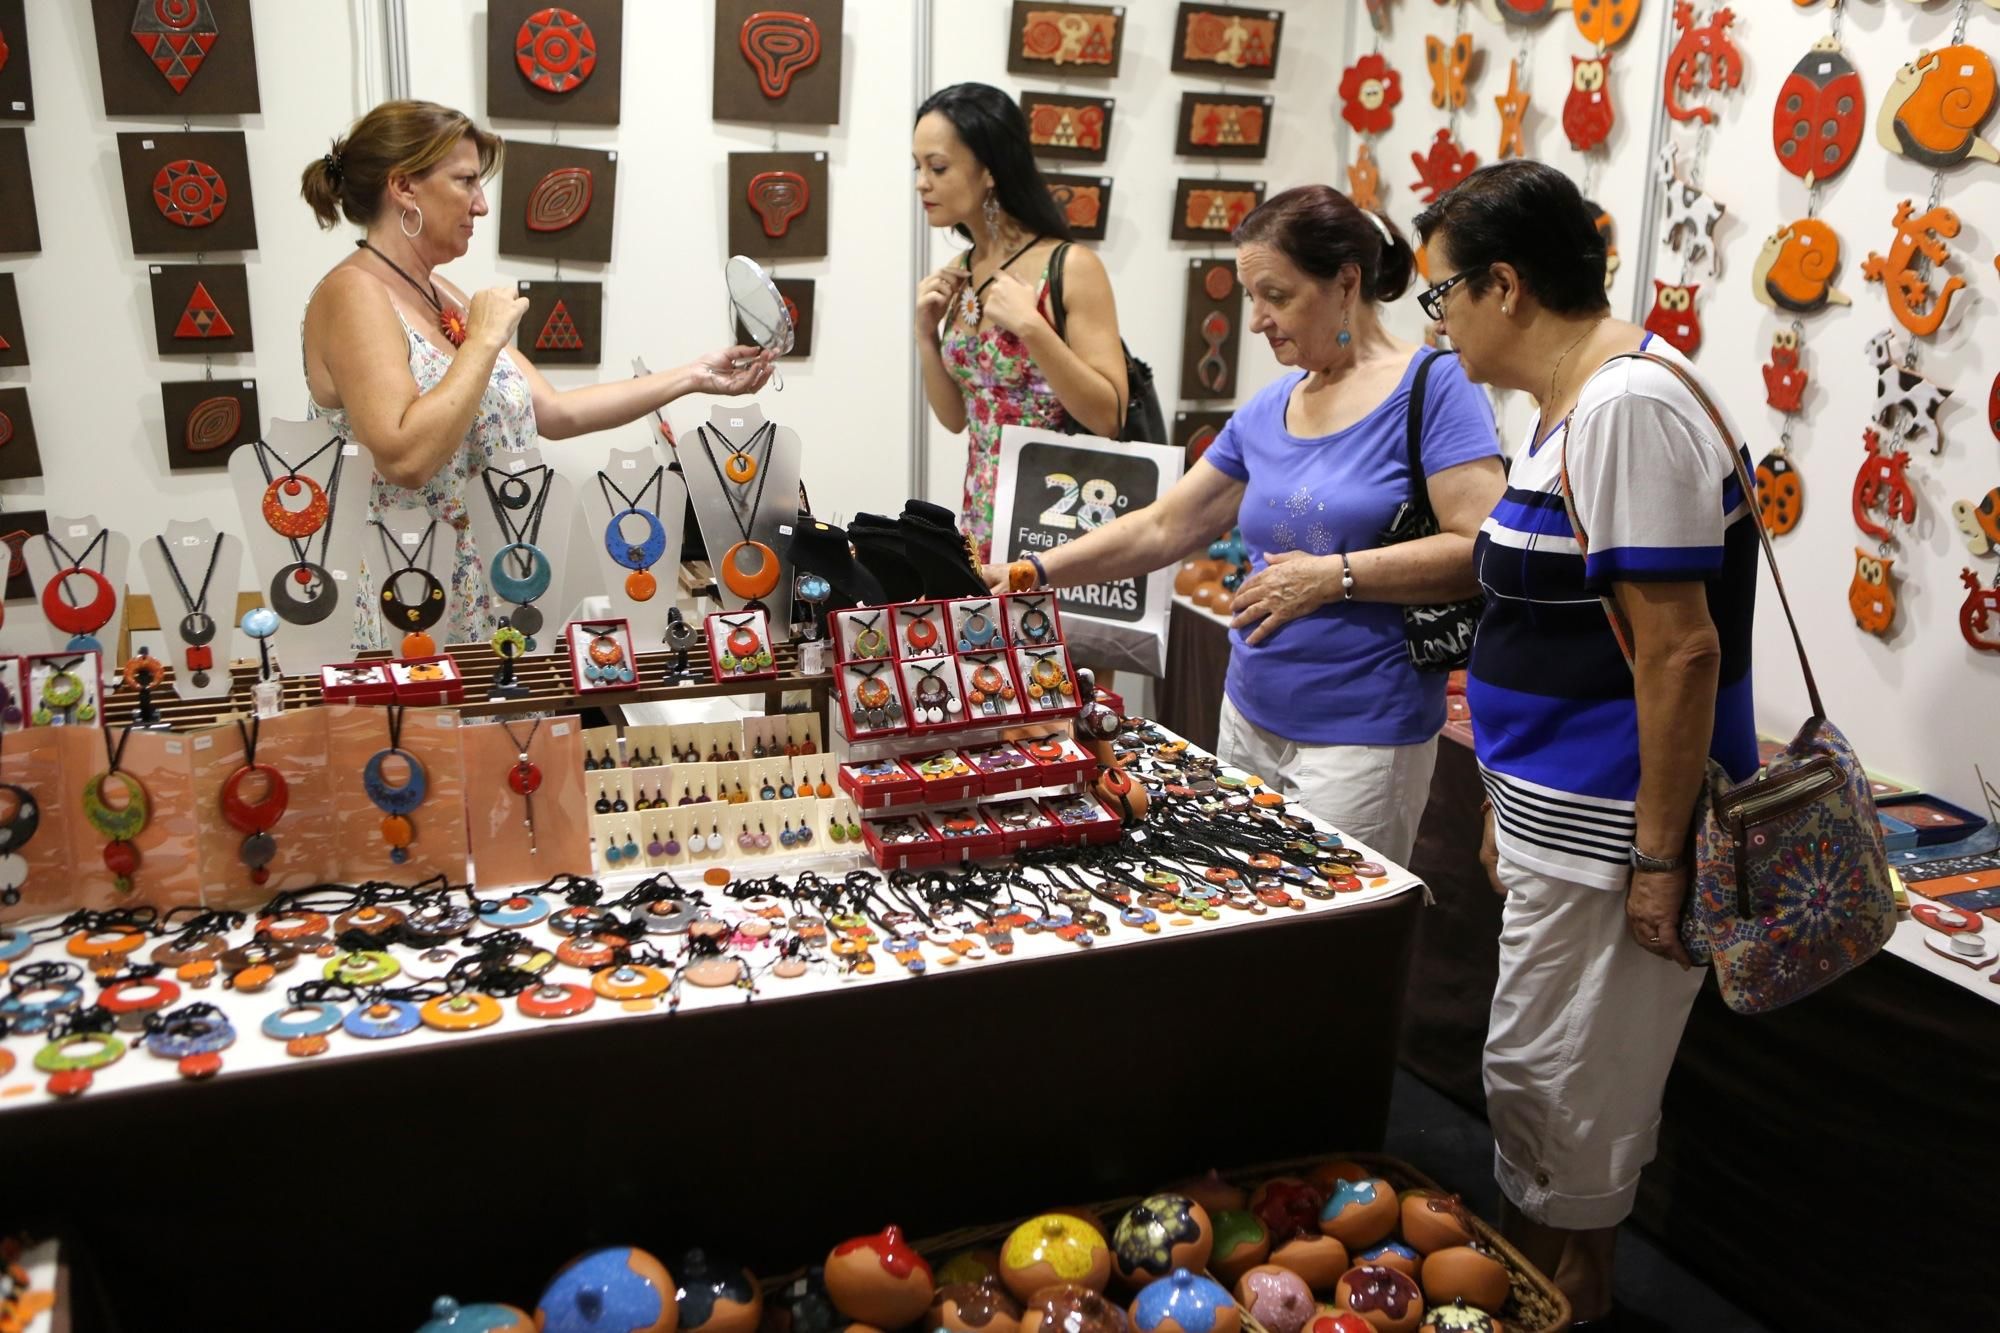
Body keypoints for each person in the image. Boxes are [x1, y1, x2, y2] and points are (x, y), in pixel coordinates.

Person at [1412, 160, 1759, 1325]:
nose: (1436, 323)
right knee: (1541, 1079)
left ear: (1501, 286)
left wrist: (1658, 859)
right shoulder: (1577, 404)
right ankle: (1538, 1285)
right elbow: (1547, 619)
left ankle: (1549, 1297)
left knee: (1564, 1088)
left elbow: (1678, 653)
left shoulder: (1626, 408)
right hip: (1562, 814)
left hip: (1615, 827)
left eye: (1439, 295)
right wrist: (1507, 802)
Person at [988, 185, 1506, 864]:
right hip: (1248, 716)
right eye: (1250, 297)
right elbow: (1163, 525)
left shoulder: (1435, 388)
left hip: (1362, 739)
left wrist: (1333, 578)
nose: (1257, 320)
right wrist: (1036, 571)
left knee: (1332, 939)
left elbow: (1480, 548)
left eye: (1277, 295)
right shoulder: (1271, 407)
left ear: (1346, 281)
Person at [299, 100, 772, 649]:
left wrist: (695, 375)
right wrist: (481, 340)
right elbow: (405, 457)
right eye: (465, 182)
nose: (480, 205)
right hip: (408, 605)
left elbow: (556, 411)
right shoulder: (354, 293)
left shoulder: (438, 293)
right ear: (404, 187)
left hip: (489, 591)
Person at [912, 82, 1129, 563]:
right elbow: (956, 419)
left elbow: (1108, 416)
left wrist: (1032, 328)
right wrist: (926, 336)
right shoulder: (963, 272)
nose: (921, 183)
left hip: (1056, 523)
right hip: (980, 520)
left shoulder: (1070, 267)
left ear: (989, 170)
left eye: (938, 167)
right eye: (918, 166)